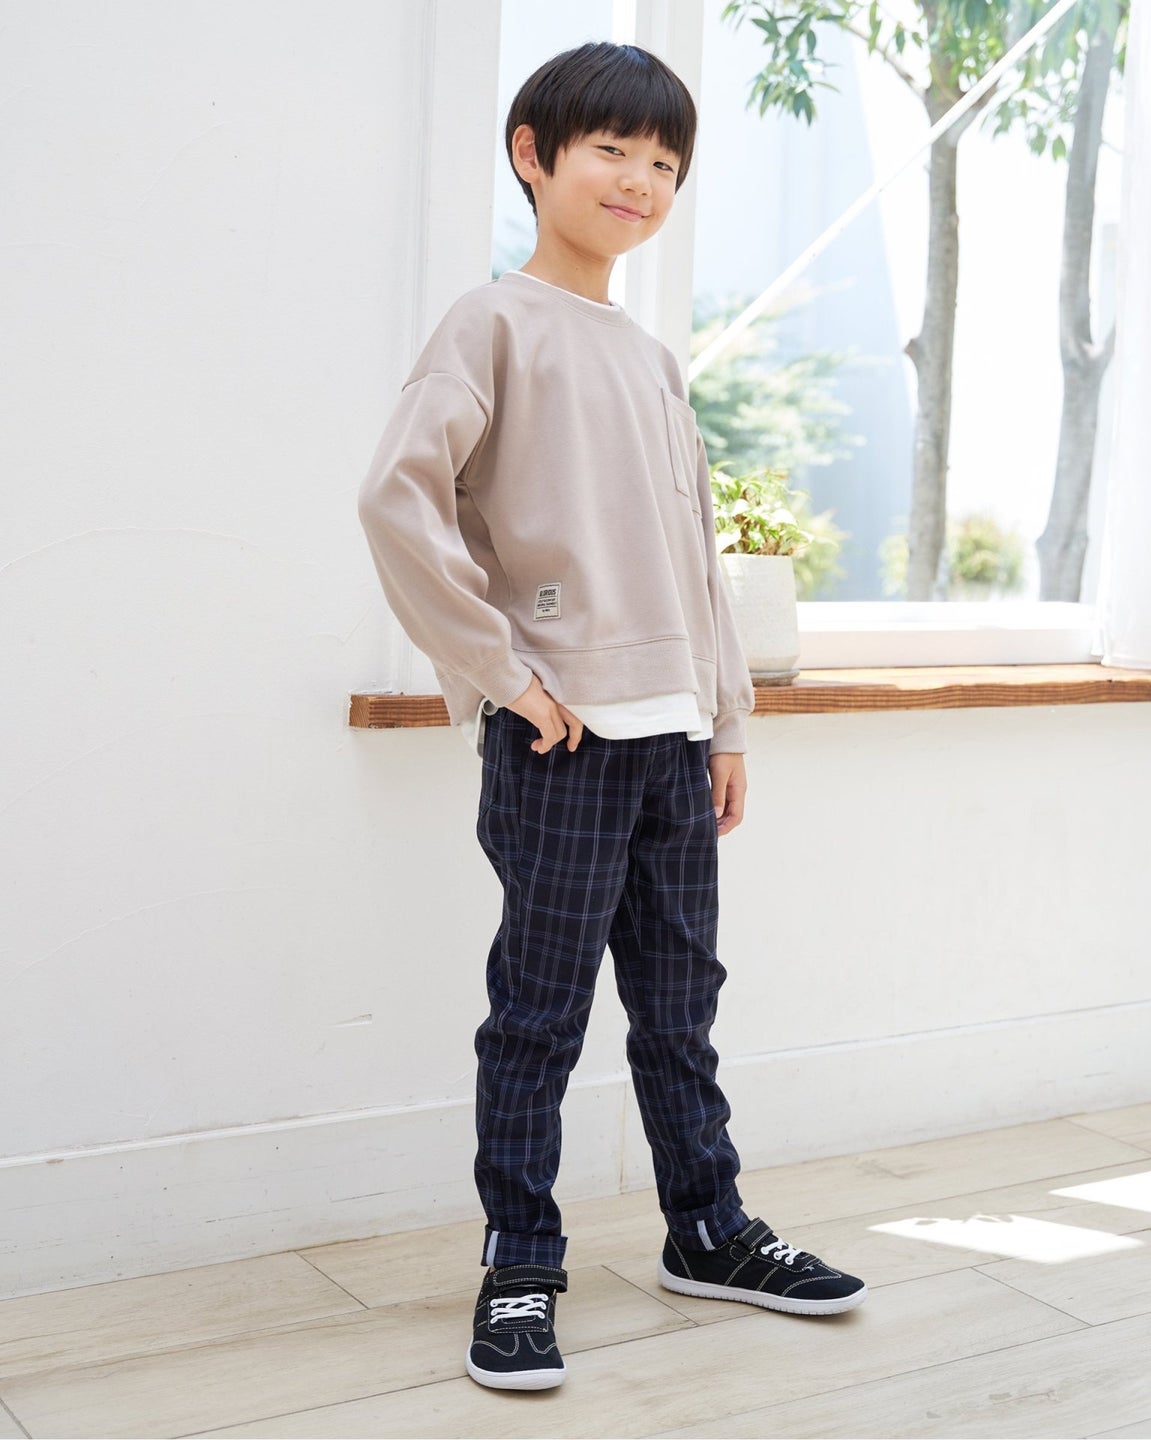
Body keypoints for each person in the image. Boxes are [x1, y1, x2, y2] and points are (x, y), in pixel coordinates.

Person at [357, 39, 868, 1393]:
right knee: (539, 1016)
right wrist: (505, 672)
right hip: (563, 742)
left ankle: (708, 1227)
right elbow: (396, 500)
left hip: (673, 745)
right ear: (533, 155)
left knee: (679, 1007)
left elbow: (694, 556)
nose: (641, 180)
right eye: (613, 151)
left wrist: (727, 722)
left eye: (665, 163)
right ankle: (521, 1261)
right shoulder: (490, 325)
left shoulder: (651, 361)